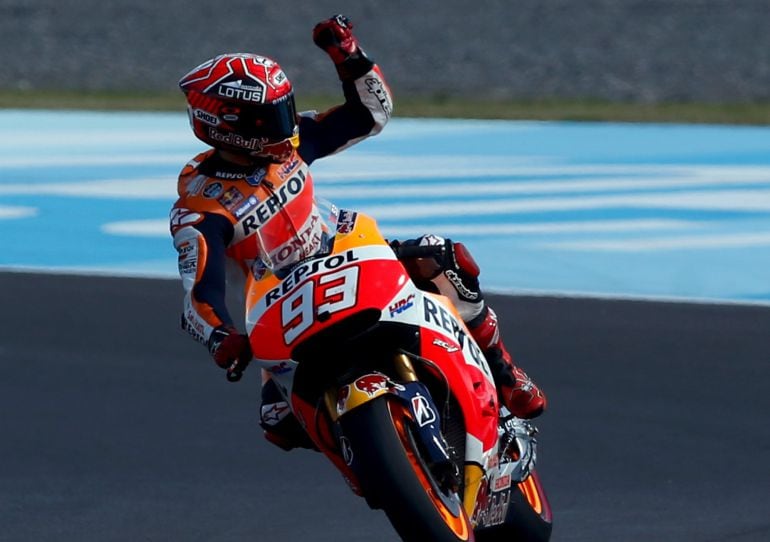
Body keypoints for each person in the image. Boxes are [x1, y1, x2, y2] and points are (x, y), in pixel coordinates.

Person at [170, 15, 546, 451]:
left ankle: (504, 372)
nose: (285, 123)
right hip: (279, 298)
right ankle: (372, 454)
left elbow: (371, 113)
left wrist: (347, 55)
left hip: (348, 248)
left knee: (441, 257)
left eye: (284, 109)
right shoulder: (201, 208)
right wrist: (221, 336)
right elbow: (199, 292)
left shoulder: (293, 142)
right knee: (277, 423)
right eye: (268, 118)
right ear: (228, 125)